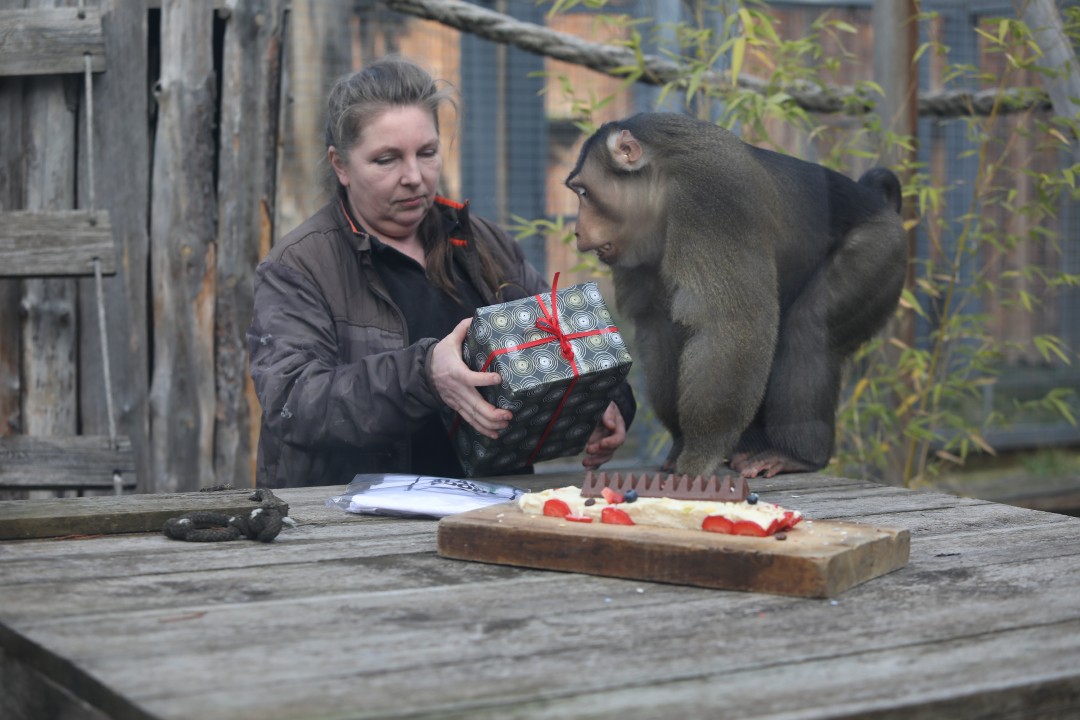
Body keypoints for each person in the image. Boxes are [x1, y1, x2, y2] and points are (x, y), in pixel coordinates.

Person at [248, 56, 636, 488]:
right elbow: (295, 404)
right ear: (340, 165)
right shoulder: (300, 266)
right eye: (386, 159)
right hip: (356, 523)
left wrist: (602, 399)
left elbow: (558, 345)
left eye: (427, 153)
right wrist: (424, 373)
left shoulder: (484, 244)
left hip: (488, 506)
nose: (414, 176)